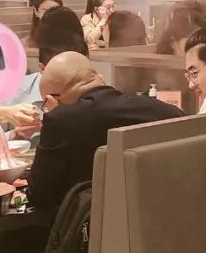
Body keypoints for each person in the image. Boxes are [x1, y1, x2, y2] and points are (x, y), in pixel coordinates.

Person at [30, 53, 181, 217]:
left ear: (51, 100)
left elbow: (39, 194)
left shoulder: (60, 120)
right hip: (170, 216)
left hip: (96, 227)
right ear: (99, 78)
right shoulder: (167, 111)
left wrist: (55, 114)